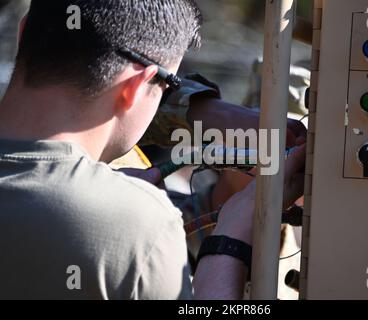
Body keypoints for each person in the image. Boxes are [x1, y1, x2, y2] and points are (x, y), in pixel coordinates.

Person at [0, 0, 306, 300]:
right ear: (136, 85)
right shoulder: (137, 223)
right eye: (169, 84)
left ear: (24, 32)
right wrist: (231, 238)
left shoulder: (130, 216)